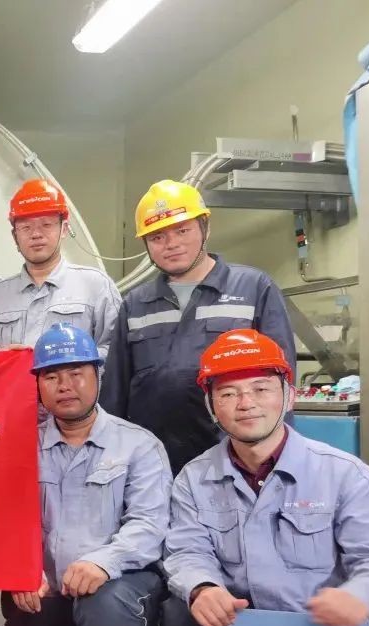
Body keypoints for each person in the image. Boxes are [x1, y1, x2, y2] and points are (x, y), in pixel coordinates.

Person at [162, 329, 369, 626]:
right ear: (211, 406)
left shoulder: (344, 475)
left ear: (288, 395)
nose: (246, 403)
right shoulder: (194, 478)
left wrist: (359, 596)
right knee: (180, 608)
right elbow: (186, 548)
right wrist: (202, 586)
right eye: (228, 393)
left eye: (261, 388)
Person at [0, 323, 170, 626]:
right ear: (37, 385)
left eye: (76, 373)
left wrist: (101, 563)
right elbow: (0, 517)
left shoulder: (138, 445)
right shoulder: (20, 445)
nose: (64, 385)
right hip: (47, 597)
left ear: (97, 375)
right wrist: (19, 568)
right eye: (51, 376)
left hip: (117, 590)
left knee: (105, 604)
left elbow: (150, 526)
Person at [101, 180, 296, 474]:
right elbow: (115, 394)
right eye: (157, 237)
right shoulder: (135, 303)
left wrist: (276, 458)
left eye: (182, 231)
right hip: (154, 464)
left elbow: (282, 381)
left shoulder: (254, 288)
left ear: (205, 227)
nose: (171, 244)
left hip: (235, 461)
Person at [0, 179, 120, 356]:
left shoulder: (96, 286)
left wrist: (68, 358)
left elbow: (117, 352)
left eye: (46, 224)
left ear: (64, 229)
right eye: (26, 227)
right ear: (15, 236)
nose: (36, 234)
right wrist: (3, 359)